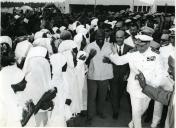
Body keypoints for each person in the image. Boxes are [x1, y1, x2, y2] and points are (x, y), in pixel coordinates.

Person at [107, 34, 172, 128]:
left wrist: (154, 84)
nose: (139, 48)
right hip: (135, 87)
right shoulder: (132, 54)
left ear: (148, 44)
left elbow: (160, 71)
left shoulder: (155, 55)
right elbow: (118, 61)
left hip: (149, 87)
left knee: (143, 109)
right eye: (137, 45)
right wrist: (113, 53)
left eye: (141, 46)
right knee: (136, 110)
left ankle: (133, 122)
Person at [135, 55, 175, 128]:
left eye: (171, 67)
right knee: (157, 103)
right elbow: (168, 98)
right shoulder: (155, 53)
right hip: (158, 80)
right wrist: (145, 86)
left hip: (167, 81)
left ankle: (155, 122)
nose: (169, 70)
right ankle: (154, 123)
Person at [85, 29, 113, 122]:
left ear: (105, 37)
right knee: (91, 97)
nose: (100, 38)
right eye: (98, 36)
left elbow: (116, 59)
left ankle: (100, 111)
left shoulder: (109, 46)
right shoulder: (89, 46)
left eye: (102, 36)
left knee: (102, 96)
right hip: (92, 76)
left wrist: (109, 61)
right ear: (95, 37)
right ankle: (90, 115)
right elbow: (84, 63)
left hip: (105, 75)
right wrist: (90, 56)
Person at [104, 30, 132, 119]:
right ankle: (115, 111)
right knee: (114, 94)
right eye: (117, 37)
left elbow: (131, 64)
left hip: (124, 77)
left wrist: (127, 74)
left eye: (121, 37)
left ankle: (118, 104)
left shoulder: (130, 48)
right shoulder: (110, 48)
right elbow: (105, 61)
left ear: (124, 38)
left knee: (120, 93)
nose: (119, 39)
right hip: (113, 76)